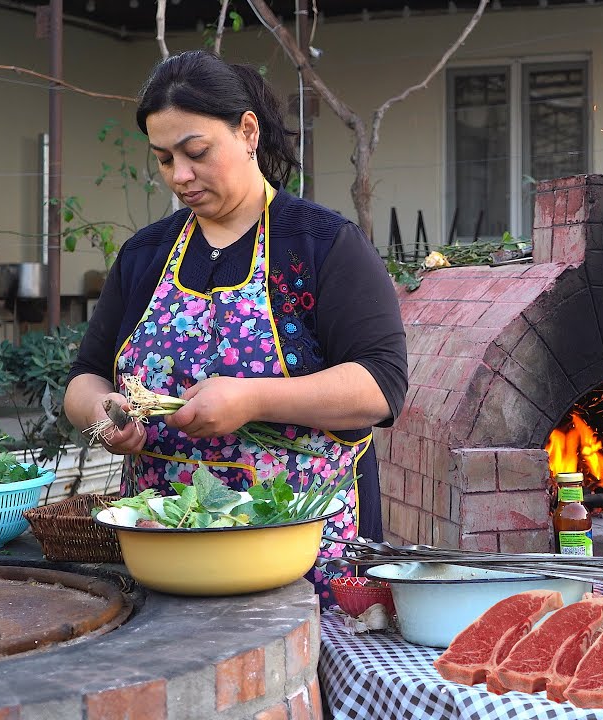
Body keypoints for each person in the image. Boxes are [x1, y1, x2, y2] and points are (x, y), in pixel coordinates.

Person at [64, 50, 408, 605]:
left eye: (196, 153)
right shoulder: (143, 256)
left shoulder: (322, 245)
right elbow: (85, 377)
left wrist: (250, 398)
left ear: (248, 131)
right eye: (162, 159)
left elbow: (381, 385)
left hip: (305, 560)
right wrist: (104, 418)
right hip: (167, 559)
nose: (179, 176)